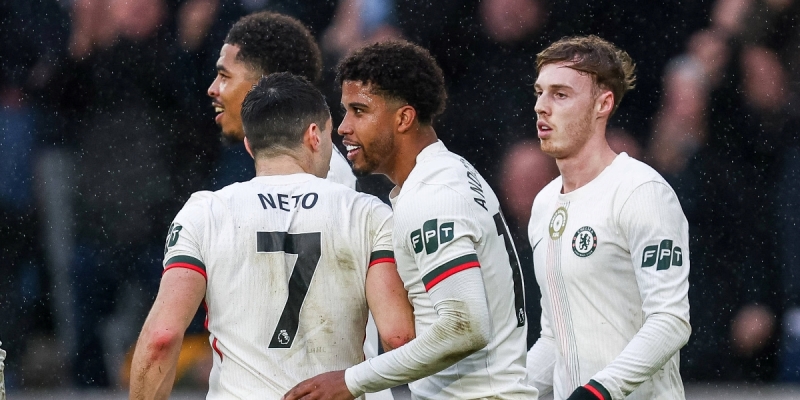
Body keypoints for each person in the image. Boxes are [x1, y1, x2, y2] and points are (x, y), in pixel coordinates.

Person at [129, 73, 415, 399]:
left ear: (249, 145)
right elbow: (397, 337)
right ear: (314, 136)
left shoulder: (205, 212)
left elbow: (162, 338)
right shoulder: (367, 213)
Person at [284, 40, 536, 400]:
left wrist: (352, 381)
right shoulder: (449, 173)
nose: (343, 127)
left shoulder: (432, 196)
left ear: (403, 118)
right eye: (345, 111)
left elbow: (465, 326)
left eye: (359, 111)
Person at [525, 35, 691, 399]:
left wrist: (599, 391)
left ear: (603, 104)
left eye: (560, 94)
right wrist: (503, 393)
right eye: (539, 92)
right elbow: (555, 339)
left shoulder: (641, 192)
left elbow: (670, 322)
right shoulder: (544, 204)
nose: (541, 106)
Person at [207, 10, 356, 189]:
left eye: (224, 77)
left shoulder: (324, 176)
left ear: (267, 86)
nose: (212, 89)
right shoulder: (245, 158)